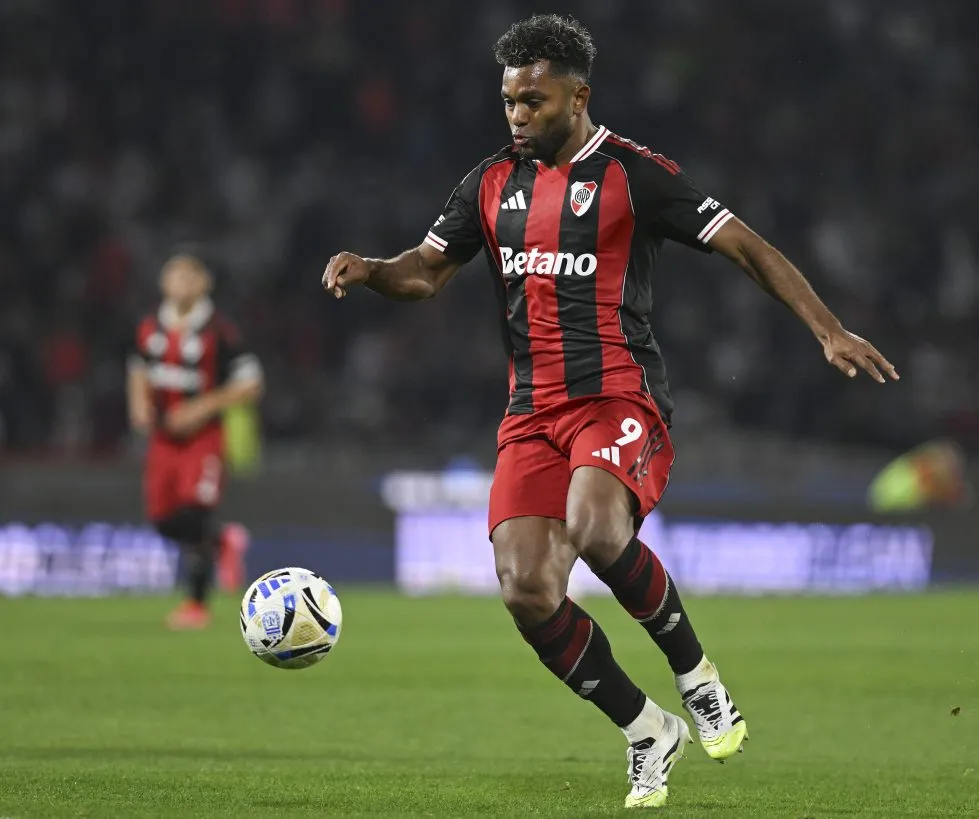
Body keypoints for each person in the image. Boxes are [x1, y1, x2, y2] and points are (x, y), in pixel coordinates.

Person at [321, 14, 898, 809]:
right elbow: (425, 272)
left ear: (577, 95)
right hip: (531, 415)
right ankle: (644, 728)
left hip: (619, 398)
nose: (517, 115)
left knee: (595, 526)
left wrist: (827, 329)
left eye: (533, 100)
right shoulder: (489, 183)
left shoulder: (635, 175)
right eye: (508, 101)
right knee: (526, 588)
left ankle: (697, 676)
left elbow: (749, 248)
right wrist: (371, 268)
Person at [127, 251, 264, 629]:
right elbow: (138, 366)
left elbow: (251, 382)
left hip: (203, 439)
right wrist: (138, 404)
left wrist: (202, 407)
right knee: (162, 521)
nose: (181, 282)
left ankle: (196, 603)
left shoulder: (221, 331)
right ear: (163, 281)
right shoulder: (150, 326)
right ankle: (225, 542)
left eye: (190, 275)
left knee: (194, 512)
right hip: (162, 440)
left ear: (205, 283)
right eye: (174, 274)